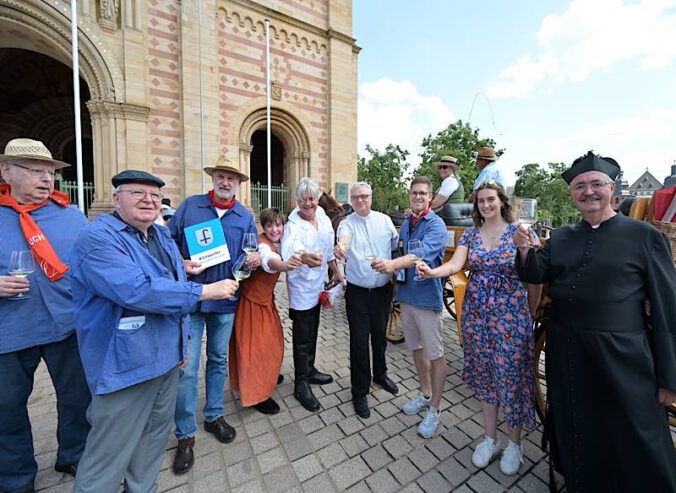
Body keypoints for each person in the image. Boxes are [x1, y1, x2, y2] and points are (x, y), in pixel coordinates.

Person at [514, 151, 676, 492]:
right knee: (577, 423)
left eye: (596, 184)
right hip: (569, 350)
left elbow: (667, 311)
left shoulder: (646, 237)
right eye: (579, 186)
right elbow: (538, 272)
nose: (588, 192)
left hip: (624, 355)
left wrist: (668, 378)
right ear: (572, 194)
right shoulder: (562, 236)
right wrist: (527, 251)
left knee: (634, 431)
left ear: (612, 189)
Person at [70, 170, 239, 493]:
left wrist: (181, 347)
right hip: (125, 367)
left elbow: (168, 278)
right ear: (117, 198)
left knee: (151, 444)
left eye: (154, 195)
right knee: (108, 456)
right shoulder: (98, 238)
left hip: (166, 362)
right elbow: (137, 289)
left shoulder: (159, 235)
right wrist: (203, 291)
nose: (148, 200)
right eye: (137, 193)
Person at [418, 180, 537, 475]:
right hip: (477, 315)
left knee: (509, 378)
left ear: (502, 202)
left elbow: (535, 276)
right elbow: (456, 265)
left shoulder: (519, 232)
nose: (485, 205)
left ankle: (514, 443)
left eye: (490, 200)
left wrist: (529, 315)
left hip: (510, 317)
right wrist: (433, 271)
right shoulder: (471, 233)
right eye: (481, 201)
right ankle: (490, 438)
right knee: (485, 375)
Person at [0, 138, 91, 493]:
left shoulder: (71, 214)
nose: (46, 179)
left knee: (77, 398)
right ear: (6, 171)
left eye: (50, 172)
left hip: (65, 326)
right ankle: (16, 478)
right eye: (34, 171)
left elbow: (95, 263)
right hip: (10, 331)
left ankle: (74, 453)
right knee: (7, 408)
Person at [169, 157, 260, 474]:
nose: (225, 182)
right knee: (188, 369)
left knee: (219, 359)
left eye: (231, 178)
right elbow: (168, 244)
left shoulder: (244, 216)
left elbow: (250, 251)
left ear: (238, 183)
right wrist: (181, 261)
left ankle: (213, 416)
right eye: (221, 176)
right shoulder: (190, 207)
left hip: (225, 302)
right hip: (192, 301)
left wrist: (252, 261)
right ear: (213, 179)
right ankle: (185, 435)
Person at [372, 176, 447, 438]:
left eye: (423, 193)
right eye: (414, 193)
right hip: (406, 296)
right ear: (410, 196)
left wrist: (393, 265)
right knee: (416, 348)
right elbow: (397, 248)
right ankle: (425, 394)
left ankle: (435, 409)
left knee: (435, 354)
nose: (418, 197)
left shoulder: (436, 225)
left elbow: (420, 254)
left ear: (430, 197)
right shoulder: (405, 225)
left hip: (427, 299)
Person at [334, 182, 400, 419]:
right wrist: (341, 248)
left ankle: (380, 374)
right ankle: (359, 391)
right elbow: (344, 241)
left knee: (380, 336)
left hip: (382, 291)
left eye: (364, 196)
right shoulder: (346, 224)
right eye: (355, 198)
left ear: (371, 198)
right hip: (358, 292)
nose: (360, 201)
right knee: (359, 342)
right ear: (351, 201)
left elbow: (395, 247)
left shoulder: (384, 221)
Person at [229, 208, 302, 415]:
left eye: (278, 224)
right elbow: (268, 260)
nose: (274, 229)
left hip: (266, 302)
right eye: (269, 225)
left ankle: (266, 376)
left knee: (273, 343)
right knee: (256, 350)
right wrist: (285, 266)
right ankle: (256, 395)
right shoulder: (261, 244)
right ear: (263, 227)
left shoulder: (284, 241)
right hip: (252, 304)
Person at [280, 178, 344, 412]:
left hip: (318, 285)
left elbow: (328, 250)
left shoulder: (324, 218)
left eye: (312, 198)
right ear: (297, 200)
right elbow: (288, 252)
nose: (309, 203)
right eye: (304, 199)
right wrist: (304, 257)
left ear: (318, 199)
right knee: (302, 335)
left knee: (314, 328)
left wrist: (336, 272)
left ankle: (310, 368)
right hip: (301, 287)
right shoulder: (293, 224)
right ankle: (301, 382)